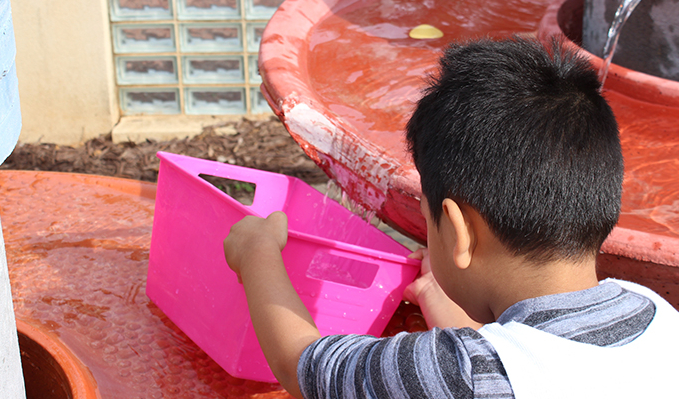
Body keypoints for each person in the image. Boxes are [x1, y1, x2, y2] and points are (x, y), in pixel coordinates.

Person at [223, 37, 679, 399]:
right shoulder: (658, 316)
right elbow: (529, 356)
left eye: (428, 220)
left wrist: (257, 255)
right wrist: (437, 300)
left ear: (459, 232)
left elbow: (305, 367)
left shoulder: (457, 375)